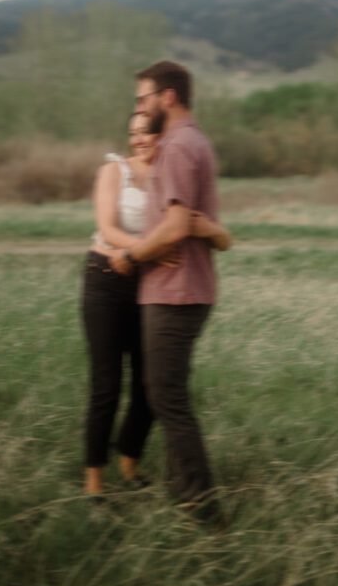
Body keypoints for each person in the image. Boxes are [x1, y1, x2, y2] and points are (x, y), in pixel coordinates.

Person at [83, 110, 230, 500]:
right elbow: (109, 228)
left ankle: (129, 464)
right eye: (133, 133)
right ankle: (94, 482)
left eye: (147, 132)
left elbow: (186, 226)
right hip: (106, 280)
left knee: (149, 386)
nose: (139, 139)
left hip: (147, 284)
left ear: (161, 136)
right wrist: (148, 250)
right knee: (106, 385)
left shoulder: (170, 174)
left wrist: (158, 251)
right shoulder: (115, 172)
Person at [107, 61, 222, 517]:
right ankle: (184, 489)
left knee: (168, 399)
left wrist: (131, 256)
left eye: (143, 98)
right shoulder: (196, 141)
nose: (139, 106)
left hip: (174, 291)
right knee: (164, 394)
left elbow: (175, 228)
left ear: (167, 97)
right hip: (185, 289)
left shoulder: (176, 147)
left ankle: (202, 504)